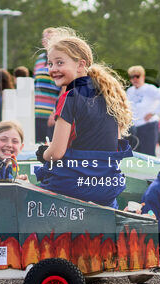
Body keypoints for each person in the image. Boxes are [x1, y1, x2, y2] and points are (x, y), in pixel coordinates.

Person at [33, 29, 133, 207]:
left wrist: (44, 153)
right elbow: (112, 143)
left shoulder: (69, 96)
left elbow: (56, 153)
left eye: (59, 62)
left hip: (72, 184)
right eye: (50, 64)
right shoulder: (111, 95)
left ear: (80, 65)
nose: (53, 69)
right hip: (107, 186)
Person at [125, 65, 160, 156]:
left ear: (143, 77)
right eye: (132, 77)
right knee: (135, 154)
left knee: (148, 154)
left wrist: (154, 113)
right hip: (134, 127)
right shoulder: (130, 91)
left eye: (137, 76)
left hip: (148, 126)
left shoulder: (149, 88)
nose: (134, 79)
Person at [34, 29, 61, 144]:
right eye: (45, 38)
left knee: (49, 146)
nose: (48, 41)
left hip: (50, 114)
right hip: (36, 113)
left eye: (51, 38)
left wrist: (55, 112)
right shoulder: (39, 58)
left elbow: (64, 87)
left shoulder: (60, 59)